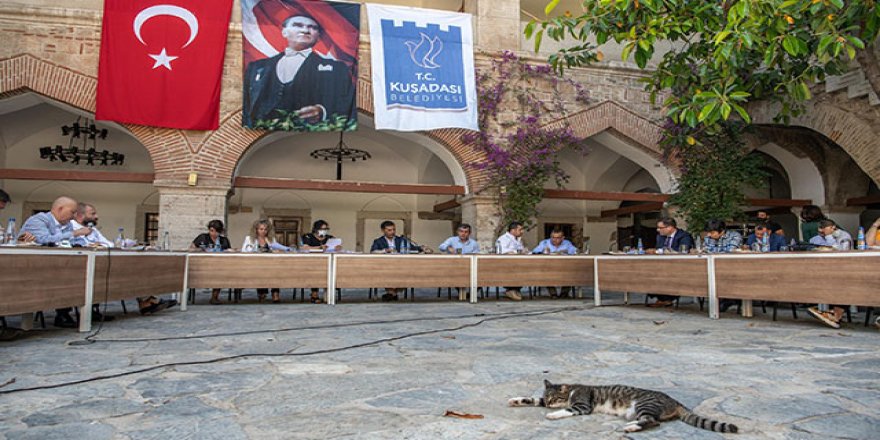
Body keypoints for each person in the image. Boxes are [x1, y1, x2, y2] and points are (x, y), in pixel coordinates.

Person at [242, 14, 355, 129]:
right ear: (284, 32)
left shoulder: (336, 69)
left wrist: (322, 111)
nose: (305, 30)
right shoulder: (257, 67)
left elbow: (346, 101)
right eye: (298, 25)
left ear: (318, 36)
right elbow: (246, 101)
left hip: (308, 129)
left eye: (312, 27)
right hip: (259, 129)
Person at [20, 196, 97, 328]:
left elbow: (71, 242)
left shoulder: (66, 224)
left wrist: (78, 240)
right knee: (67, 277)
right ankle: (62, 314)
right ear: (60, 209)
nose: (73, 217)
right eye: (72, 212)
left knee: (82, 274)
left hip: (59, 266)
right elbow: (44, 239)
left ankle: (68, 313)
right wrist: (74, 234)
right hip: (34, 267)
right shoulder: (38, 220)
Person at [369, 220, 426, 301]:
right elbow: (373, 252)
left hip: (401, 264)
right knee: (388, 272)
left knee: (405, 272)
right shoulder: (378, 241)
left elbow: (412, 248)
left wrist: (422, 248)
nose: (392, 232)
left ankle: (391, 293)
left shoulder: (401, 239)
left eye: (394, 230)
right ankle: (393, 293)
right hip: (385, 265)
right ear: (383, 230)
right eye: (389, 230)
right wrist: (385, 250)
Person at [647, 217, 695, 307]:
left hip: (680, 265)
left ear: (669, 227)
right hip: (662, 265)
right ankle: (662, 298)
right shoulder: (660, 236)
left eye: (660, 228)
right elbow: (658, 248)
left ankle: (666, 298)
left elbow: (683, 250)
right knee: (649, 272)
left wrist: (657, 251)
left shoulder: (684, 236)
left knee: (664, 274)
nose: (658, 230)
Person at [241, 219, 291, 303]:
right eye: (261, 229)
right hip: (255, 265)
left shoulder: (271, 239)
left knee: (275, 272)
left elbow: (277, 249)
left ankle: (275, 293)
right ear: (256, 230)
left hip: (270, 264)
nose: (263, 231)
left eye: (265, 229)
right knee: (261, 272)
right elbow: (244, 251)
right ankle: (262, 293)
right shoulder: (249, 239)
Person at [189, 219, 233, 305]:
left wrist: (229, 251)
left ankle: (214, 297)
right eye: (211, 230)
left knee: (220, 272)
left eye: (216, 231)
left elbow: (228, 251)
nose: (213, 233)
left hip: (219, 265)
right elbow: (191, 248)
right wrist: (200, 249)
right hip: (202, 265)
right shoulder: (202, 237)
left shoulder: (224, 240)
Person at [301, 219, 341, 303]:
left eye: (326, 229)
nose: (324, 231)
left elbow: (335, 247)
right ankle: (314, 294)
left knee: (329, 271)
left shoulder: (330, 238)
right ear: (316, 229)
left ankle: (328, 294)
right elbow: (304, 248)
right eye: (322, 229)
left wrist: (337, 248)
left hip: (327, 262)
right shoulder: (308, 236)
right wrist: (319, 248)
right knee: (316, 271)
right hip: (311, 262)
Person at [532, 229, 578, 298]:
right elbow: (535, 252)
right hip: (548, 267)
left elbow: (575, 251)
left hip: (564, 267)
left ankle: (564, 293)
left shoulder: (567, 243)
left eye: (558, 238)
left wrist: (565, 252)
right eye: (553, 237)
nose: (554, 240)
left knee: (571, 272)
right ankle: (553, 293)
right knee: (546, 273)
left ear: (563, 238)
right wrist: (543, 252)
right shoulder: (545, 243)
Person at [495, 221, 526, 301]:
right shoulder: (503, 239)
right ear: (513, 230)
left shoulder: (518, 239)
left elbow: (522, 250)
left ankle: (515, 290)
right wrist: (516, 252)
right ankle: (510, 290)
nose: (522, 231)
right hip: (506, 265)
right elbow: (501, 251)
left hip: (518, 264)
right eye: (520, 229)